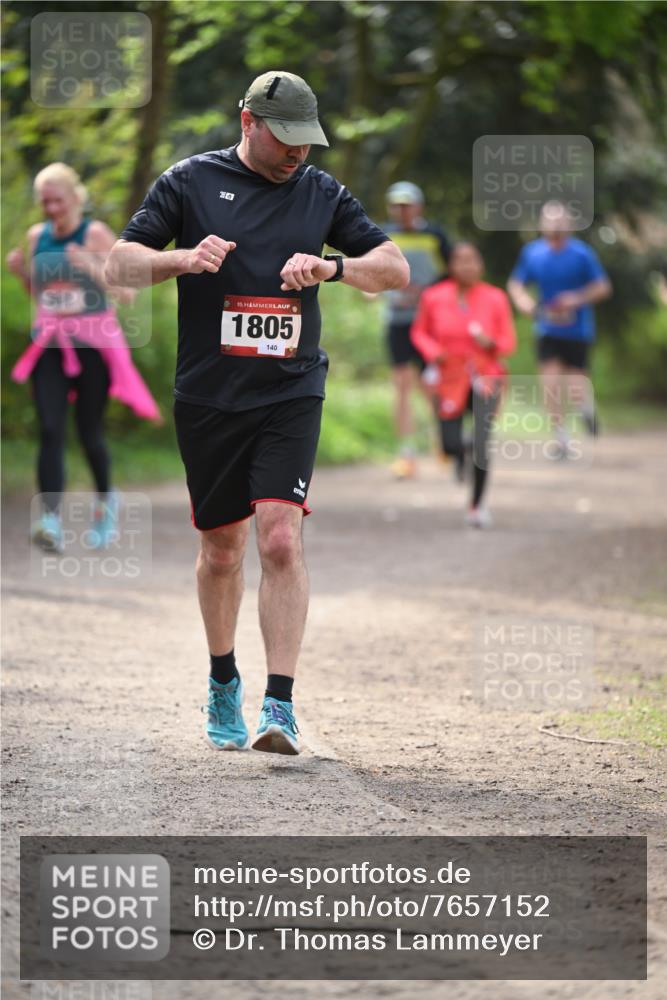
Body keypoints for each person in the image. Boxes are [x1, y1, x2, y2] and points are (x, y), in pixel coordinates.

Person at [105, 71, 409, 756]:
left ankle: (280, 702)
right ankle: (221, 680)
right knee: (221, 551)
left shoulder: (321, 192)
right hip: (210, 396)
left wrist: (332, 270)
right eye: (286, 137)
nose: (299, 151)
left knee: (277, 537)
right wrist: (183, 258)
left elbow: (393, 269)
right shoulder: (188, 182)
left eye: (308, 138)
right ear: (247, 122)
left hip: (290, 390)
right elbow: (116, 268)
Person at [6, 162, 161, 553]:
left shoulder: (94, 234)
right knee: (50, 428)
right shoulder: (36, 235)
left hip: (94, 346)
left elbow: (128, 294)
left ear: (76, 198)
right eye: (45, 202)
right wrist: (25, 273)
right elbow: (42, 297)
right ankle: (49, 521)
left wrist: (91, 265)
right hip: (51, 344)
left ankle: (106, 502)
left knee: (89, 431)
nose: (51, 208)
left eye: (58, 200)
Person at [410, 242, 516, 528]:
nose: (467, 266)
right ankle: (460, 453)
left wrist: (490, 342)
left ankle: (477, 505)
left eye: (472, 260)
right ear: (451, 266)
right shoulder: (434, 296)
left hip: (487, 376)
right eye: (460, 260)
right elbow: (419, 332)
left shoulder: (495, 297)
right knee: (449, 444)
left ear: (480, 265)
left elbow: (508, 342)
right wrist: (435, 353)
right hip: (449, 377)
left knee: (482, 442)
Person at [507, 201, 612, 457]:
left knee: (576, 386)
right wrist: (524, 302)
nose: (555, 226)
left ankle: (586, 408)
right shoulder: (533, 253)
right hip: (547, 328)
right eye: (550, 221)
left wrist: (575, 299)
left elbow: (603, 287)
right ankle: (561, 439)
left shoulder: (582, 254)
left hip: (578, 330)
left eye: (560, 221)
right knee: (550, 382)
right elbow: (516, 284)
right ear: (542, 225)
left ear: (569, 225)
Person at [382, 181, 450, 478]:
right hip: (397, 321)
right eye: (397, 205)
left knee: (430, 385)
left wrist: (428, 295)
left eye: (407, 205)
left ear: (419, 206)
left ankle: (443, 440)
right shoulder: (382, 235)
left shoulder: (435, 236)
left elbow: (453, 273)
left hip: (429, 324)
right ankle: (406, 452)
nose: (402, 210)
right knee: (401, 385)